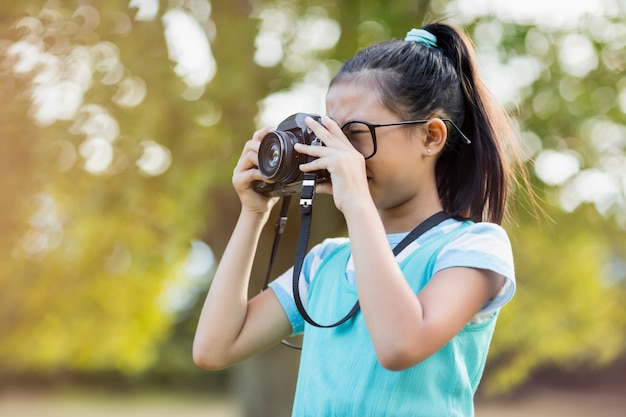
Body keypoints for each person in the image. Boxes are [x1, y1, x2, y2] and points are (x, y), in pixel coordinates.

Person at [193, 21, 525, 416]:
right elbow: (215, 348)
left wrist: (357, 204)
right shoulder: (325, 262)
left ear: (431, 137)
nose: (338, 153)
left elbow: (400, 344)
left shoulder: (472, 247)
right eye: (330, 133)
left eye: (356, 134)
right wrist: (253, 211)